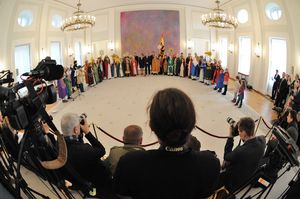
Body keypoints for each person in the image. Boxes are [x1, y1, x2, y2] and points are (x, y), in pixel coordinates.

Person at [113, 88, 220, 199]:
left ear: (151, 126)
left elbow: (121, 194)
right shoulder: (210, 164)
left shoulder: (130, 163)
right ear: (192, 125)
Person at [61, 113, 114, 198]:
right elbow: (101, 150)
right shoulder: (85, 150)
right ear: (75, 130)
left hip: (79, 175)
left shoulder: (60, 144)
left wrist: (79, 135)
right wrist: (87, 132)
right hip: (96, 182)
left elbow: (76, 144)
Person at [220, 117, 266, 192]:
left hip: (234, 182)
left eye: (239, 131)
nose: (238, 133)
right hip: (248, 174)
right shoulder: (262, 141)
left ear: (244, 133)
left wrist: (230, 137)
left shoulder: (240, 151)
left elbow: (226, 156)